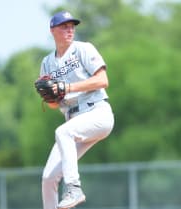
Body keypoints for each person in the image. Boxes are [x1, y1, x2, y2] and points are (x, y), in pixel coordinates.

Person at [38, 11, 114, 209]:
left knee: (62, 132)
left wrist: (67, 87)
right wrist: (50, 97)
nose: (70, 29)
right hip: (73, 121)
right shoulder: (47, 63)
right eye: (64, 26)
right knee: (48, 177)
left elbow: (103, 80)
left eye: (72, 25)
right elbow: (55, 104)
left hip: (97, 113)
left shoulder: (83, 49)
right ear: (52, 30)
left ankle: (74, 188)